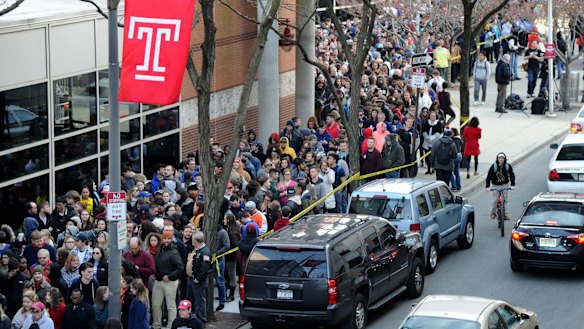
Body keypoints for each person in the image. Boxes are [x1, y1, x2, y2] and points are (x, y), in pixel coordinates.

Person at [152, 231, 183, 329]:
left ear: (171, 239)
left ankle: (171, 326)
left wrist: (169, 276)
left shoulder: (174, 252)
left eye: (168, 238)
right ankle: (157, 325)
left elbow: (180, 268)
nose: (166, 240)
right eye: (165, 238)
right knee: (156, 305)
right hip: (158, 280)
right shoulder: (160, 249)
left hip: (170, 282)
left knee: (171, 306)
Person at [186, 231, 211, 322]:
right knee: (190, 299)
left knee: (200, 301)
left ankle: (201, 320)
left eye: (193, 239)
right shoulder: (195, 249)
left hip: (198, 281)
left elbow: (204, 268)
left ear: (196, 241)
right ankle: (190, 318)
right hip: (190, 279)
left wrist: (198, 279)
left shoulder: (205, 252)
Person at [485, 153, 516, 220]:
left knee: (505, 200)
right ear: (497, 159)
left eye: (502, 158)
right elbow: (489, 177)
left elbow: (512, 175)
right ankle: (493, 213)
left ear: (504, 159)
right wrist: (487, 186)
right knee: (495, 200)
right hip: (495, 185)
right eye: (500, 158)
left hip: (505, 185)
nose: (501, 159)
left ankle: (505, 215)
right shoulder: (494, 166)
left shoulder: (508, 166)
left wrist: (512, 184)